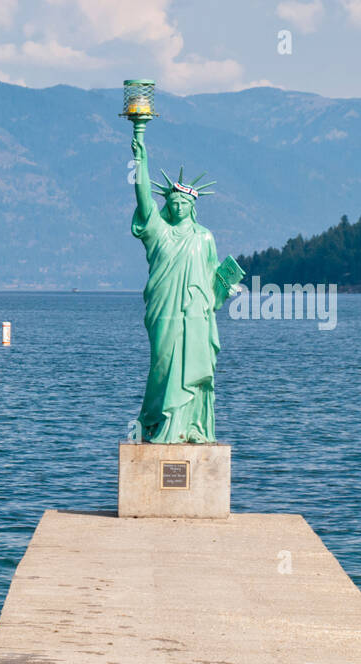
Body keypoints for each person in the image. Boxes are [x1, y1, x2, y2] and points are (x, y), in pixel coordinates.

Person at [130, 117, 230, 443]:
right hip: (164, 311)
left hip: (196, 317)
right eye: (172, 202)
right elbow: (144, 198)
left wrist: (225, 285)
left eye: (183, 202)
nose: (177, 205)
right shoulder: (159, 233)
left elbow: (214, 283)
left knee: (193, 370)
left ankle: (190, 427)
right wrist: (140, 159)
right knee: (162, 366)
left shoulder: (204, 238)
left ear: (192, 207)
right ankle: (159, 423)